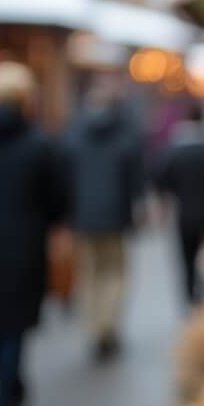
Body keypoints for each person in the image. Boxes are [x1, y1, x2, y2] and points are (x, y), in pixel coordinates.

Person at [0, 62, 67, 406]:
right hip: (24, 247)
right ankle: (6, 399)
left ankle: (6, 390)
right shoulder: (39, 143)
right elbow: (56, 201)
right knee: (13, 328)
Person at [64, 81, 143, 360]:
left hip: (84, 218)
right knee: (115, 273)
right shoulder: (124, 137)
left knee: (90, 274)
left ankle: (96, 327)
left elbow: (66, 180)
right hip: (115, 218)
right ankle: (108, 325)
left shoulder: (74, 137)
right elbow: (135, 182)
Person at [156, 102, 204, 303]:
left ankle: (191, 297)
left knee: (188, 258)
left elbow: (163, 180)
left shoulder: (175, 152)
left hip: (185, 214)